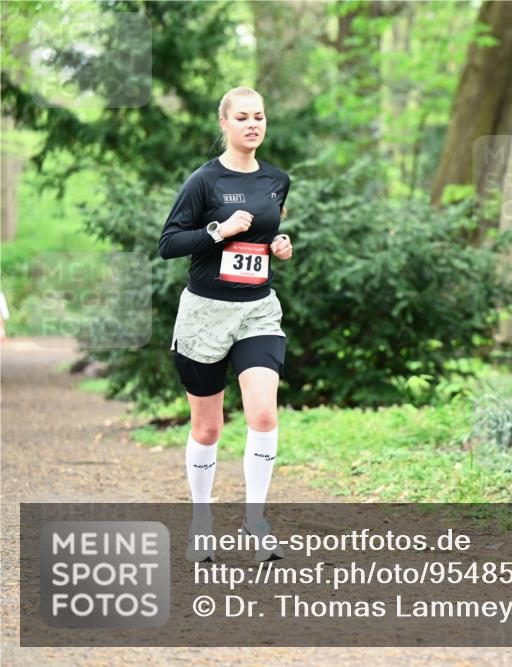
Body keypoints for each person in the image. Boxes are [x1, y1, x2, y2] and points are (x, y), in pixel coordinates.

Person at [158, 86, 293, 563]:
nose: (252, 124)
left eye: (259, 116)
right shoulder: (203, 182)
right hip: (205, 313)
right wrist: (218, 231)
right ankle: (200, 521)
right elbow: (169, 243)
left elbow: (267, 233)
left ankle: (255, 522)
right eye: (242, 117)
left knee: (262, 415)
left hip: (258, 309)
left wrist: (279, 245)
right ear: (225, 124)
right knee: (208, 427)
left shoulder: (278, 180)